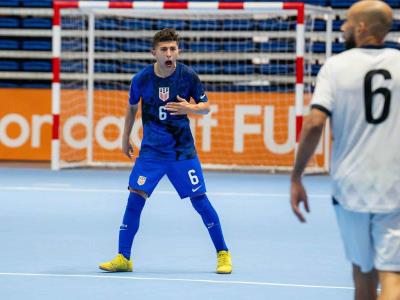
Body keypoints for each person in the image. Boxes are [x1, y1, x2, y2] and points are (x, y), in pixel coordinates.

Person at [290, 1, 400, 299]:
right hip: (395, 185)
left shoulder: (335, 67)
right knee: (392, 274)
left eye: (347, 22)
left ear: (362, 27)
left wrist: (297, 176)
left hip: (351, 186)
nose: (342, 27)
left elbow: (314, 124)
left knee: (362, 272)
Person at [99, 28, 232, 274]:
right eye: (164, 49)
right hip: (151, 153)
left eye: (173, 49)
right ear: (154, 53)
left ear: (178, 51)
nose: (169, 53)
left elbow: (206, 108)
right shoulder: (141, 79)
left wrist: (190, 109)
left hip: (182, 153)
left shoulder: (188, 76)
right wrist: (125, 137)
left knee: (200, 201)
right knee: (134, 199)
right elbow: (131, 109)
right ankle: (123, 257)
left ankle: (223, 253)